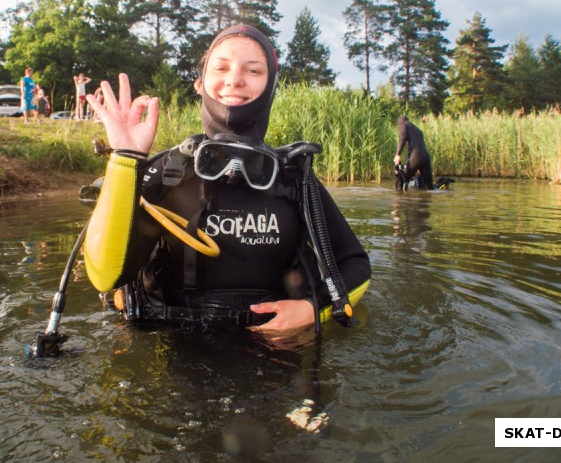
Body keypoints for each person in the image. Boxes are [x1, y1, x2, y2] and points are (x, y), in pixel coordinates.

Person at [82, 25, 371, 333]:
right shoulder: (168, 172)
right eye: (221, 67)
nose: (235, 79)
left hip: (274, 354)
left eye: (254, 70)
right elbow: (106, 277)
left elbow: (355, 265)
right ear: (200, 82)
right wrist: (126, 158)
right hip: (175, 350)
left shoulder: (293, 178)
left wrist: (313, 309)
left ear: (272, 86)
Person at [394, 115, 434, 190]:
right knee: (429, 187)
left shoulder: (403, 124)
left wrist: (398, 154)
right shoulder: (417, 129)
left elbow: (402, 137)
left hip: (417, 156)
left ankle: (399, 200)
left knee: (401, 181)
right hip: (425, 157)